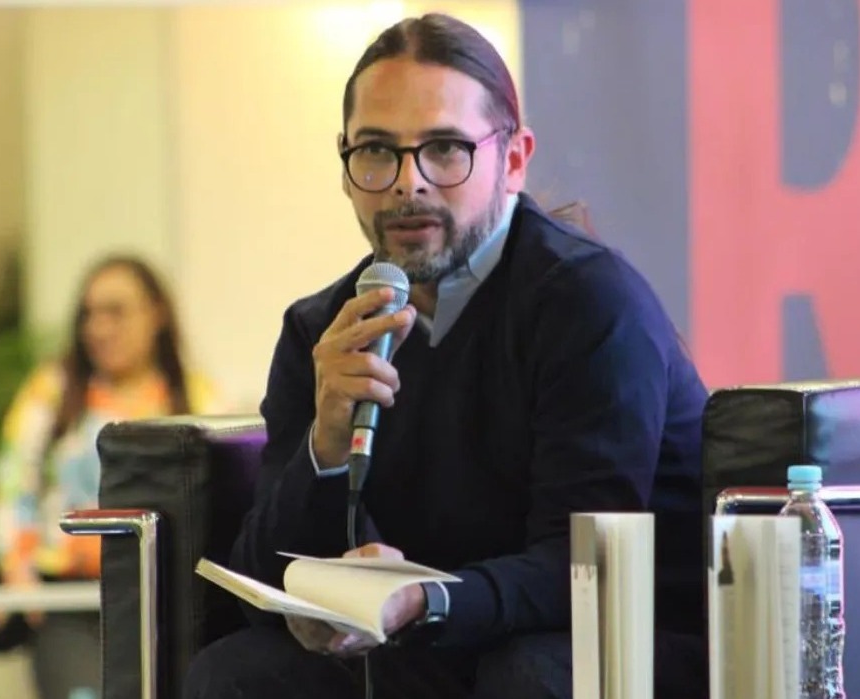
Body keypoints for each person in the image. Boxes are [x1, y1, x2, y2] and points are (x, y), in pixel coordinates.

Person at [185, 12, 709, 699]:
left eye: (444, 149)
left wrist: (426, 599)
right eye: (377, 151)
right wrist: (326, 445)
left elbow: (584, 568)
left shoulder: (588, 301)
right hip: (435, 639)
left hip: (620, 637)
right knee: (235, 674)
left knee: (524, 675)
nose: (409, 183)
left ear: (513, 160)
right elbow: (264, 579)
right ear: (345, 168)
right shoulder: (324, 329)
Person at [0, 254, 219, 699]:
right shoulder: (51, 392)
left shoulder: (198, 397)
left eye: (116, 312)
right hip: (68, 605)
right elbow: (13, 490)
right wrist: (19, 573)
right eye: (89, 314)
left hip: (167, 603)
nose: (98, 328)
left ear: (156, 314)